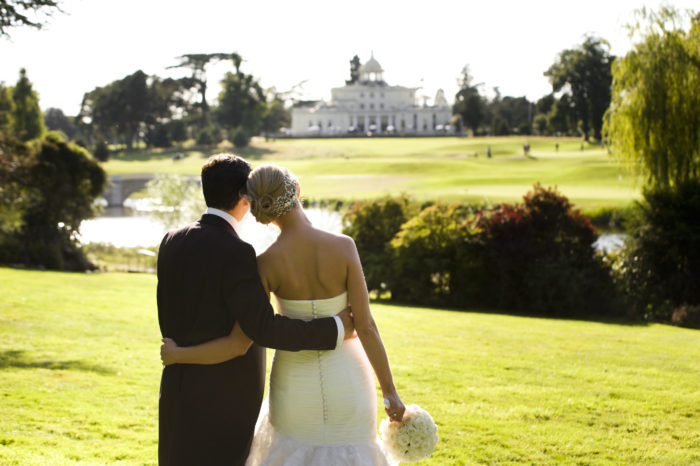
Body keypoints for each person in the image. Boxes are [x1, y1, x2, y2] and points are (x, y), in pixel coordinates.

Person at [161, 163, 406, 465]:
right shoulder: (344, 247)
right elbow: (366, 327)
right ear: (298, 191)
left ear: (260, 211)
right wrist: (391, 394)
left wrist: (179, 354)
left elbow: (244, 337)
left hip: (293, 386)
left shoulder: (264, 263)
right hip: (348, 378)